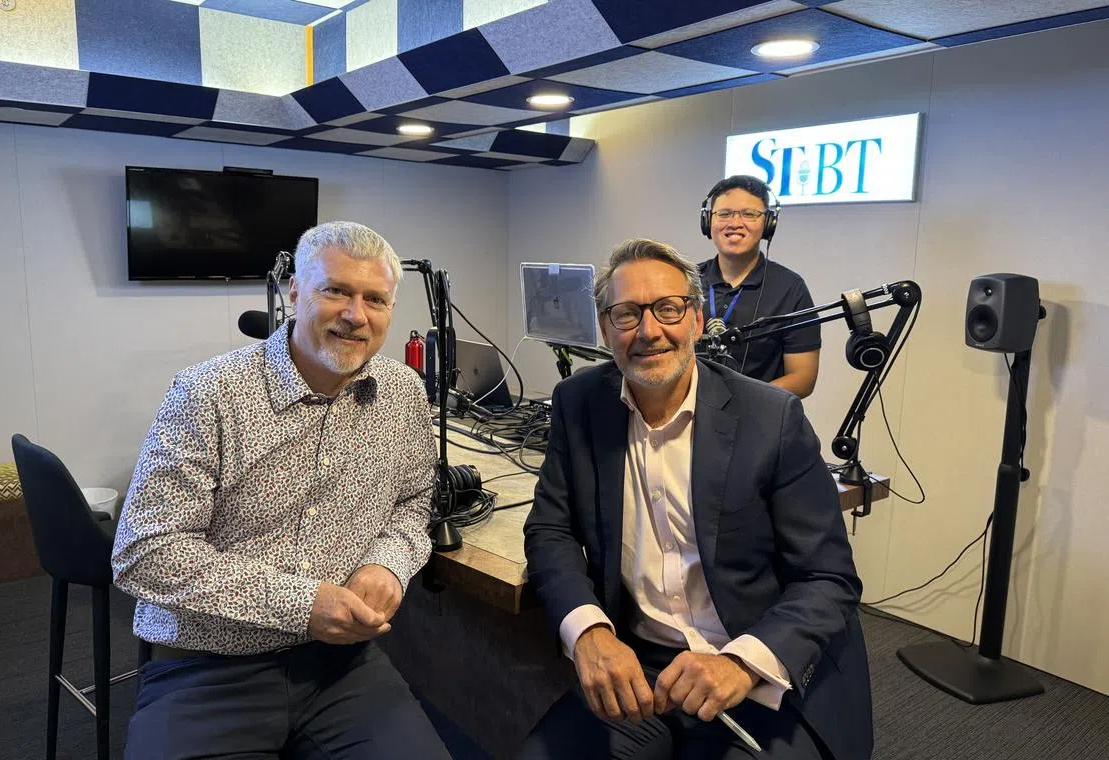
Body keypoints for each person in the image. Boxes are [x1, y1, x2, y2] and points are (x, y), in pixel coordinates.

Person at [519, 239, 872, 760]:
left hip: (758, 671)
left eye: (667, 309)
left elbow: (828, 578)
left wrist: (741, 663)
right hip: (643, 671)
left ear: (697, 320)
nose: (649, 331)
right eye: (626, 314)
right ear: (604, 328)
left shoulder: (771, 418)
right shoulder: (579, 403)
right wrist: (588, 630)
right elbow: (551, 531)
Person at [112, 221, 450, 760]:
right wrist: (301, 603)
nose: (355, 315)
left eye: (375, 299)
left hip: (342, 668)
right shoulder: (207, 394)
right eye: (335, 290)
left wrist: (388, 563)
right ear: (294, 292)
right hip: (208, 667)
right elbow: (143, 551)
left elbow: (413, 501)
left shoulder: (403, 393)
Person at [698, 175, 820, 398]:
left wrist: (742, 400)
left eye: (749, 214)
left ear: (768, 223)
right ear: (708, 222)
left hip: (758, 418)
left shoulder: (790, 288)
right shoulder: (686, 281)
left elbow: (803, 378)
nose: (735, 223)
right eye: (724, 214)